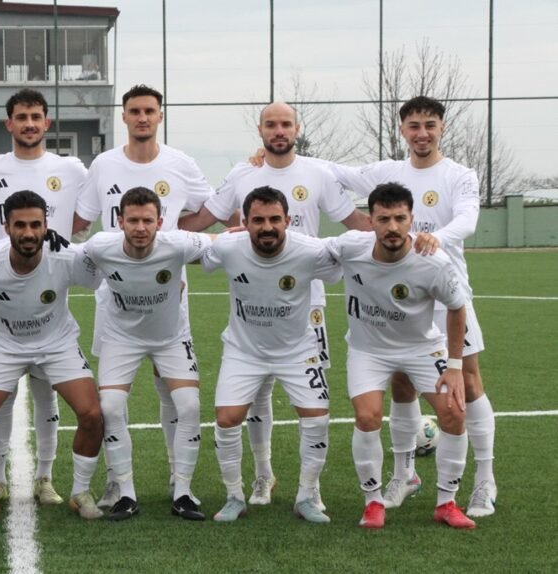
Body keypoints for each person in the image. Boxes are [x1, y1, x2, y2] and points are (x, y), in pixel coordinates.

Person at [183, 101, 371, 506]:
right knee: (256, 393)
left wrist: (404, 238)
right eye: (271, 124)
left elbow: (356, 224)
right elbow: (204, 220)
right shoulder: (243, 173)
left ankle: (310, 490)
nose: (279, 130)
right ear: (260, 130)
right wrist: (153, 231)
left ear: (296, 128)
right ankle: (263, 475)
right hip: (254, 298)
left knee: (311, 399)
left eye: (286, 123)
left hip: (307, 303)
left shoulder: (318, 173)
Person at [326, 96, 495, 518]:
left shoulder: (459, 174)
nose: (422, 133)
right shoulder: (387, 172)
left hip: (444, 291)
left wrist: (436, 237)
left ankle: (484, 479)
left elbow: (468, 220)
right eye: (414, 125)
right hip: (394, 296)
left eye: (430, 125)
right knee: (401, 383)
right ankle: (404, 475)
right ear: (403, 129)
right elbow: (331, 172)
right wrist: (270, 158)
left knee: (467, 383)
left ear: (442, 128)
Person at [73, 84, 213, 509]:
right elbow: (80, 222)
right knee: (113, 404)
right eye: (134, 111)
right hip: (117, 306)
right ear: (124, 116)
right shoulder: (103, 165)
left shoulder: (180, 163)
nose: (142, 117)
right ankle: (119, 484)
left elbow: (214, 211)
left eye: (149, 110)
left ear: (160, 115)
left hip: (169, 303)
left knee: (178, 398)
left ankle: (180, 482)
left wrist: (173, 241)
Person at [325, 182, 475, 529]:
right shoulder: (350, 247)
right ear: (371, 221)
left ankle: (447, 502)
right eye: (383, 219)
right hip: (368, 350)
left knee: (454, 412)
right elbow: (303, 247)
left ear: (412, 219)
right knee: (367, 417)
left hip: (422, 348)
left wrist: (455, 366)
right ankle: (373, 502)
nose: (392, 227)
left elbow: (457, 308)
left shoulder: (433, 261)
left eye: (399, 218)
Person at [0, 191, 104, 523]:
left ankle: (80, 491)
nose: (28, 232)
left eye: (36, 225)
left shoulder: (65, 256)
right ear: (5, 227)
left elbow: (102, 264)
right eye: (19, 225)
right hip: (5, 346)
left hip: (57, 344)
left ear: (46, 226)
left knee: (92, 414)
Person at [0, 89, 88, 506]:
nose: (30, 124)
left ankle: (44, 477)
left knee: (46, 392)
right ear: (9, 123)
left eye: (36, 116)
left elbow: (93, 208)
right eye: (22, 117)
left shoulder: (71, 168)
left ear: (47, 122)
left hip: (48, 296)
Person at [200, 186, 341, 523]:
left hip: (297, 350)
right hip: (244, 350)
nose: (267, 227)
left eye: (275, 219)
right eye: (258, 220)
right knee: (227, 419)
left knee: (317, 417)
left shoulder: (310, 251)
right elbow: (193, 253)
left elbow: (341, 264)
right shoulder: (228, 247)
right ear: (244, 222)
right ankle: (234, 496)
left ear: (288, 221)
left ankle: (307, 495)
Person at [82, 187, 213, 522]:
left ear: (160, 223)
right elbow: (64, 257)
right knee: (110, 407)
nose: (140, 228)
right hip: (121, 339)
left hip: (170, 338)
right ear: (120, 221)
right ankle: (125, 493)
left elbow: (222, 243)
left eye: (148, 221)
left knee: (189, 406)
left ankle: (183, 492)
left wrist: (246, 231)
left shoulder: (179, 243)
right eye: (133, 220)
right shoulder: (100, 246)